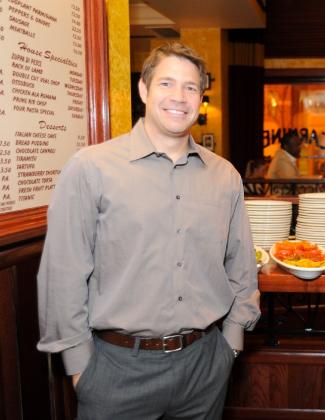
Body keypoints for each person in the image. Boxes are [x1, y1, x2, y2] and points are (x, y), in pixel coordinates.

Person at [37, 42, 261, 420]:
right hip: (116, 370)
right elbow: (63, 272)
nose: (179, 97)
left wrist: (231, 343)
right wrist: (80, 370)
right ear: (143, 90)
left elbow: (240, 265)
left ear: (201, 97)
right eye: (167, 84)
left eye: (191, 87)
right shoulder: (92, 168)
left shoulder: (225, 176)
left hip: (204, 365)